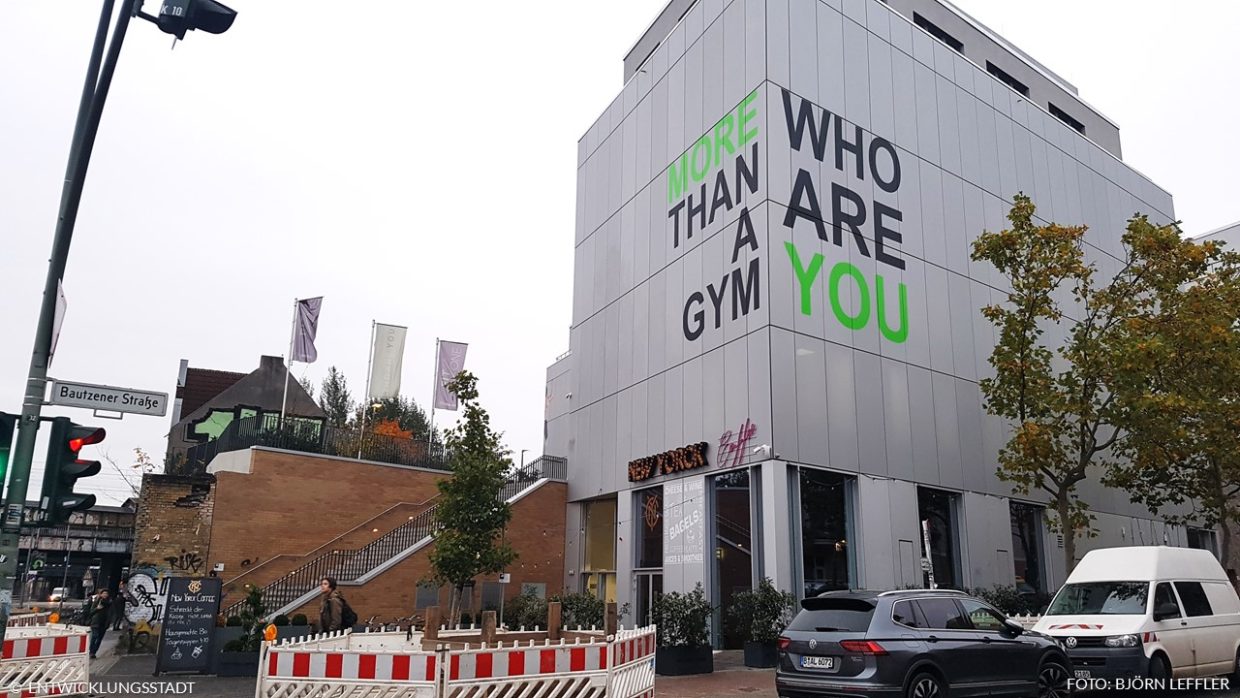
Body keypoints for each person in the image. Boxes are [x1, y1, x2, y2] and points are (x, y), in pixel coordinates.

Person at [88, 590, 112, 659]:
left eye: (106, 593)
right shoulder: (97, 601)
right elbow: (91, 612)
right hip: (96, 622)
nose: (105, 595)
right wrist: (97, 608)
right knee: (95, 636)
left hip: (104, 623)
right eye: (103, 593)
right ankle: (91, 652)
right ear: (101, 594)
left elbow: (110, 613)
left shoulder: (109, 603)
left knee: (99, 639)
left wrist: (108, 622)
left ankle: (94, 652)